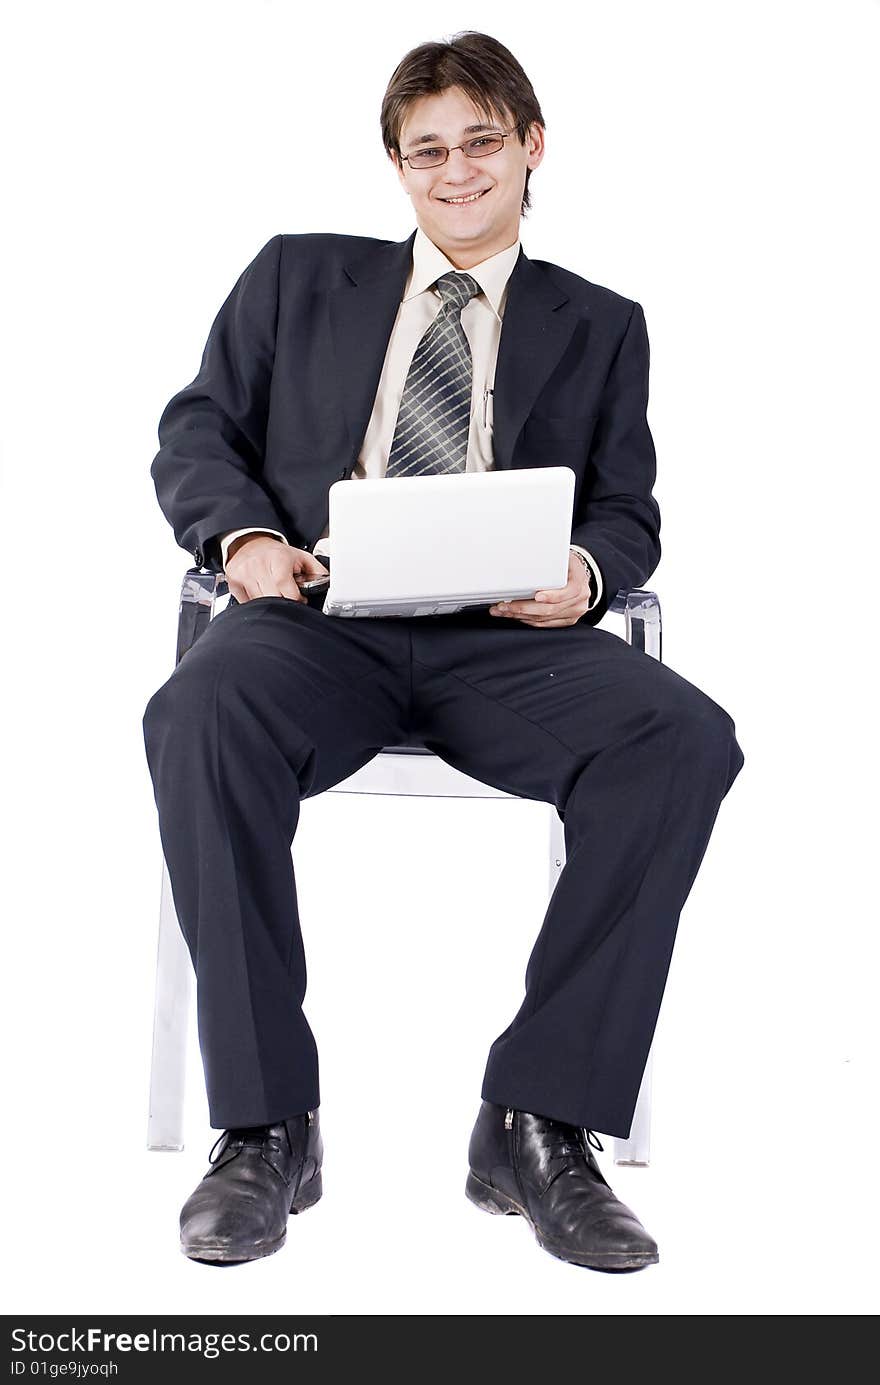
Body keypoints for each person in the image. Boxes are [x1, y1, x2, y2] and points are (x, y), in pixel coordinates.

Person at [142, 30, 744, 1271]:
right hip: (318, 625)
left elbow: (627, 510)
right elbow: (196, 431)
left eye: (481, 140)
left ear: (530, 145)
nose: (456, 170)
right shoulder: (295, 279)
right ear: (398, 168)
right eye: (427, 151)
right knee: (197, 706)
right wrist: (247, 537)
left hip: (501, 645)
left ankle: (540, 1120)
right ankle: (265, 1126)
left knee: (680, 735)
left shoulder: (600, 323)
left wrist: (581, 574)